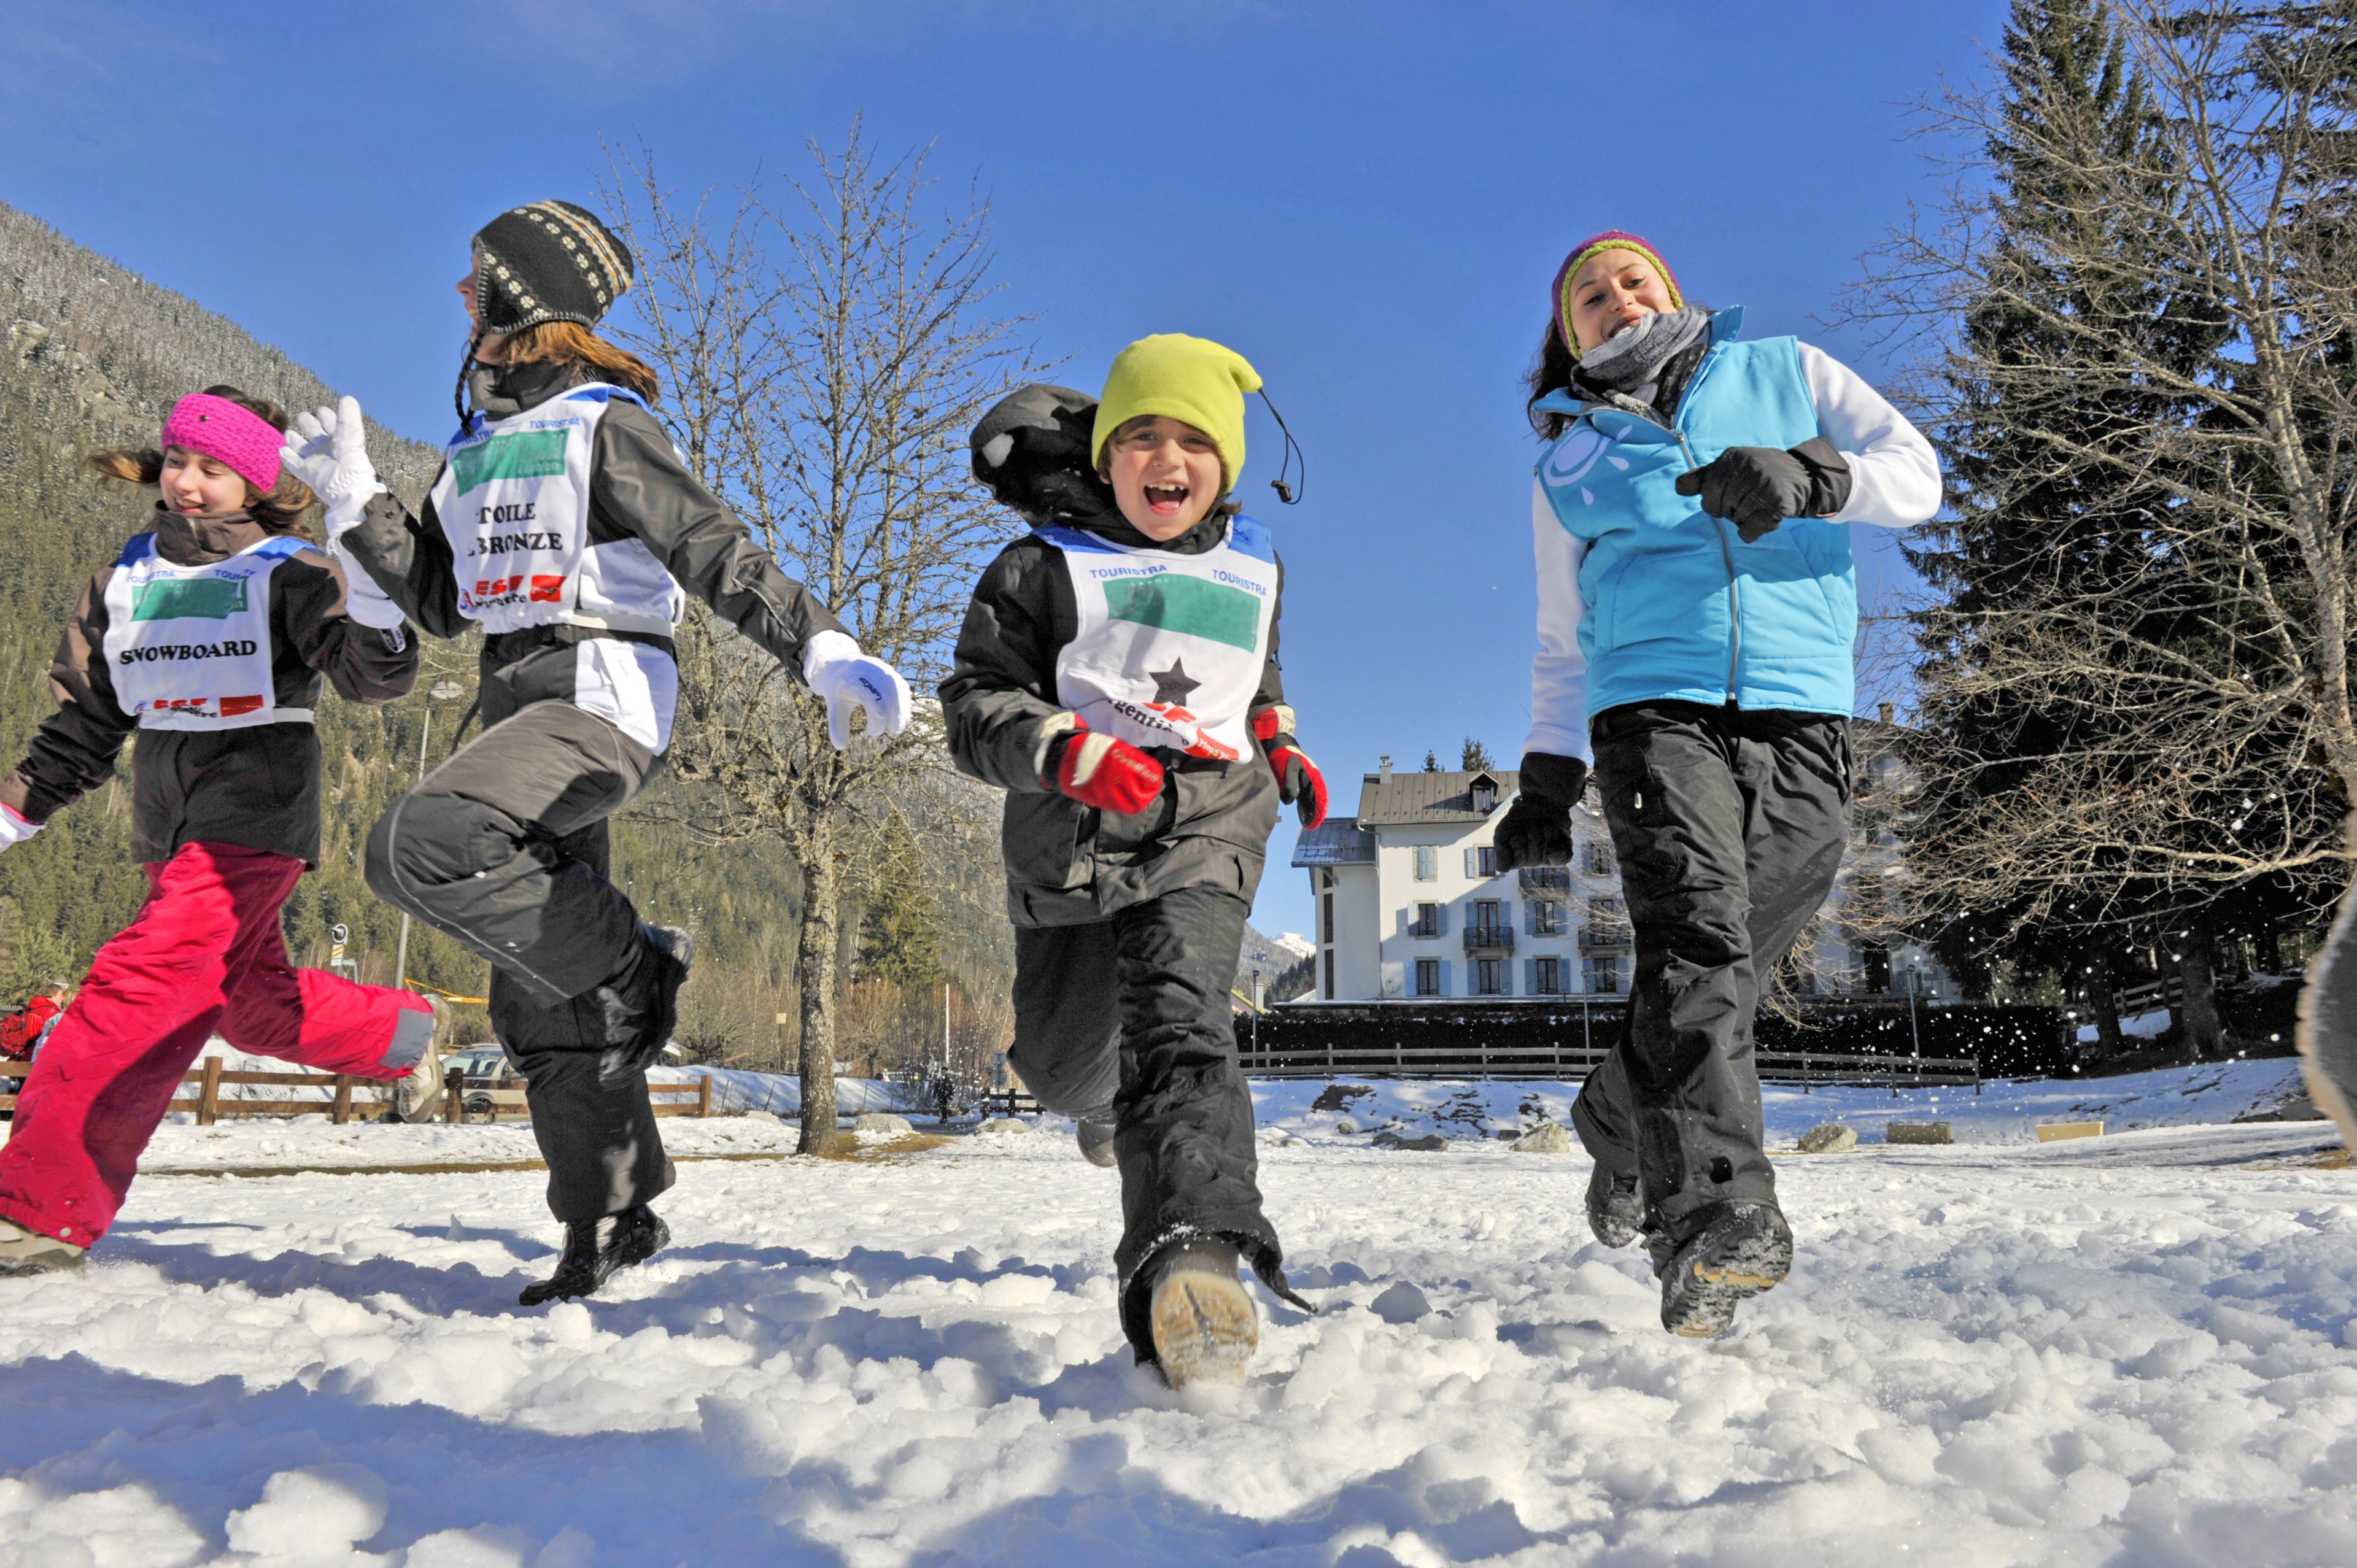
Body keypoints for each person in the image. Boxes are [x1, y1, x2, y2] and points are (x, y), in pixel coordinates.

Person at [304, 201, 911, 1306]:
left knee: (421, 842)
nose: (458, 294)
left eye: (474, 276)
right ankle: (611, 1217)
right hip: (510, 693)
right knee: (542, 994)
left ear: (516, 298)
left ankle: (640, 963)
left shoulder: (604, 425)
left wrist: (816, 646)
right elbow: (440, 604)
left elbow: (710, 547)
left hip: (603, 693)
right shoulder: (475, 450)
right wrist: (360, 507)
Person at [1493, 232, 1940, 1337]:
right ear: (1568, 336)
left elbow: (1917, 480)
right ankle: (1715, 1219)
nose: (1615, 299)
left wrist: (1807, 479)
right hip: (1650, 708)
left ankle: (1616, 1120)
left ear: (1673, 293)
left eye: (1631, 280)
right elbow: (1563, 635)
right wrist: (1545, 778)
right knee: (1698, 939)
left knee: (1746, 941)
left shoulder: (1786, 371)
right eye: (1588, 297)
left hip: (1801, 702)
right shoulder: (1569, 462)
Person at [948, 336, 1325, 1388]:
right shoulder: (1040, 567)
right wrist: (1061, 749)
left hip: (1209, 823)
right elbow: (972, 711)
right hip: (1070, 849)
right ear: (1107, 455)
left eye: (1196, 439)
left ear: (1230, 463)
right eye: (1143, 435)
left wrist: (1282, 738)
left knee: (1185, 1026)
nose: (1169, 457)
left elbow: (1253, 672)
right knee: (1067, 1067)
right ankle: (1107, 1112)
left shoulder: (1256, 562)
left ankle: (1192, 1257)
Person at [0, 388, 441, 1276]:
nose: (189, 483)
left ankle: (37, 1210)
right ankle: (406, 1035)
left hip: (255, 814)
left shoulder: (289, 571)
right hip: (171, 824)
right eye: (179, 462)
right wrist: (16, 808)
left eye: (216, 469)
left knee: (139, 984)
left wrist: (371, 580)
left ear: (256, 484)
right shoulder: (127, 578)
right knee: (247, 1005)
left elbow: (374, 676)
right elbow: (89, 722)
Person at [0, 983, 67, 1062]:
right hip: (35, 1056)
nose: (63, 999)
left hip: (21, 1054)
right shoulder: (51, 1013)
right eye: (61, 995)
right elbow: (52, 1037)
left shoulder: (32, 1008)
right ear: (52, 995)